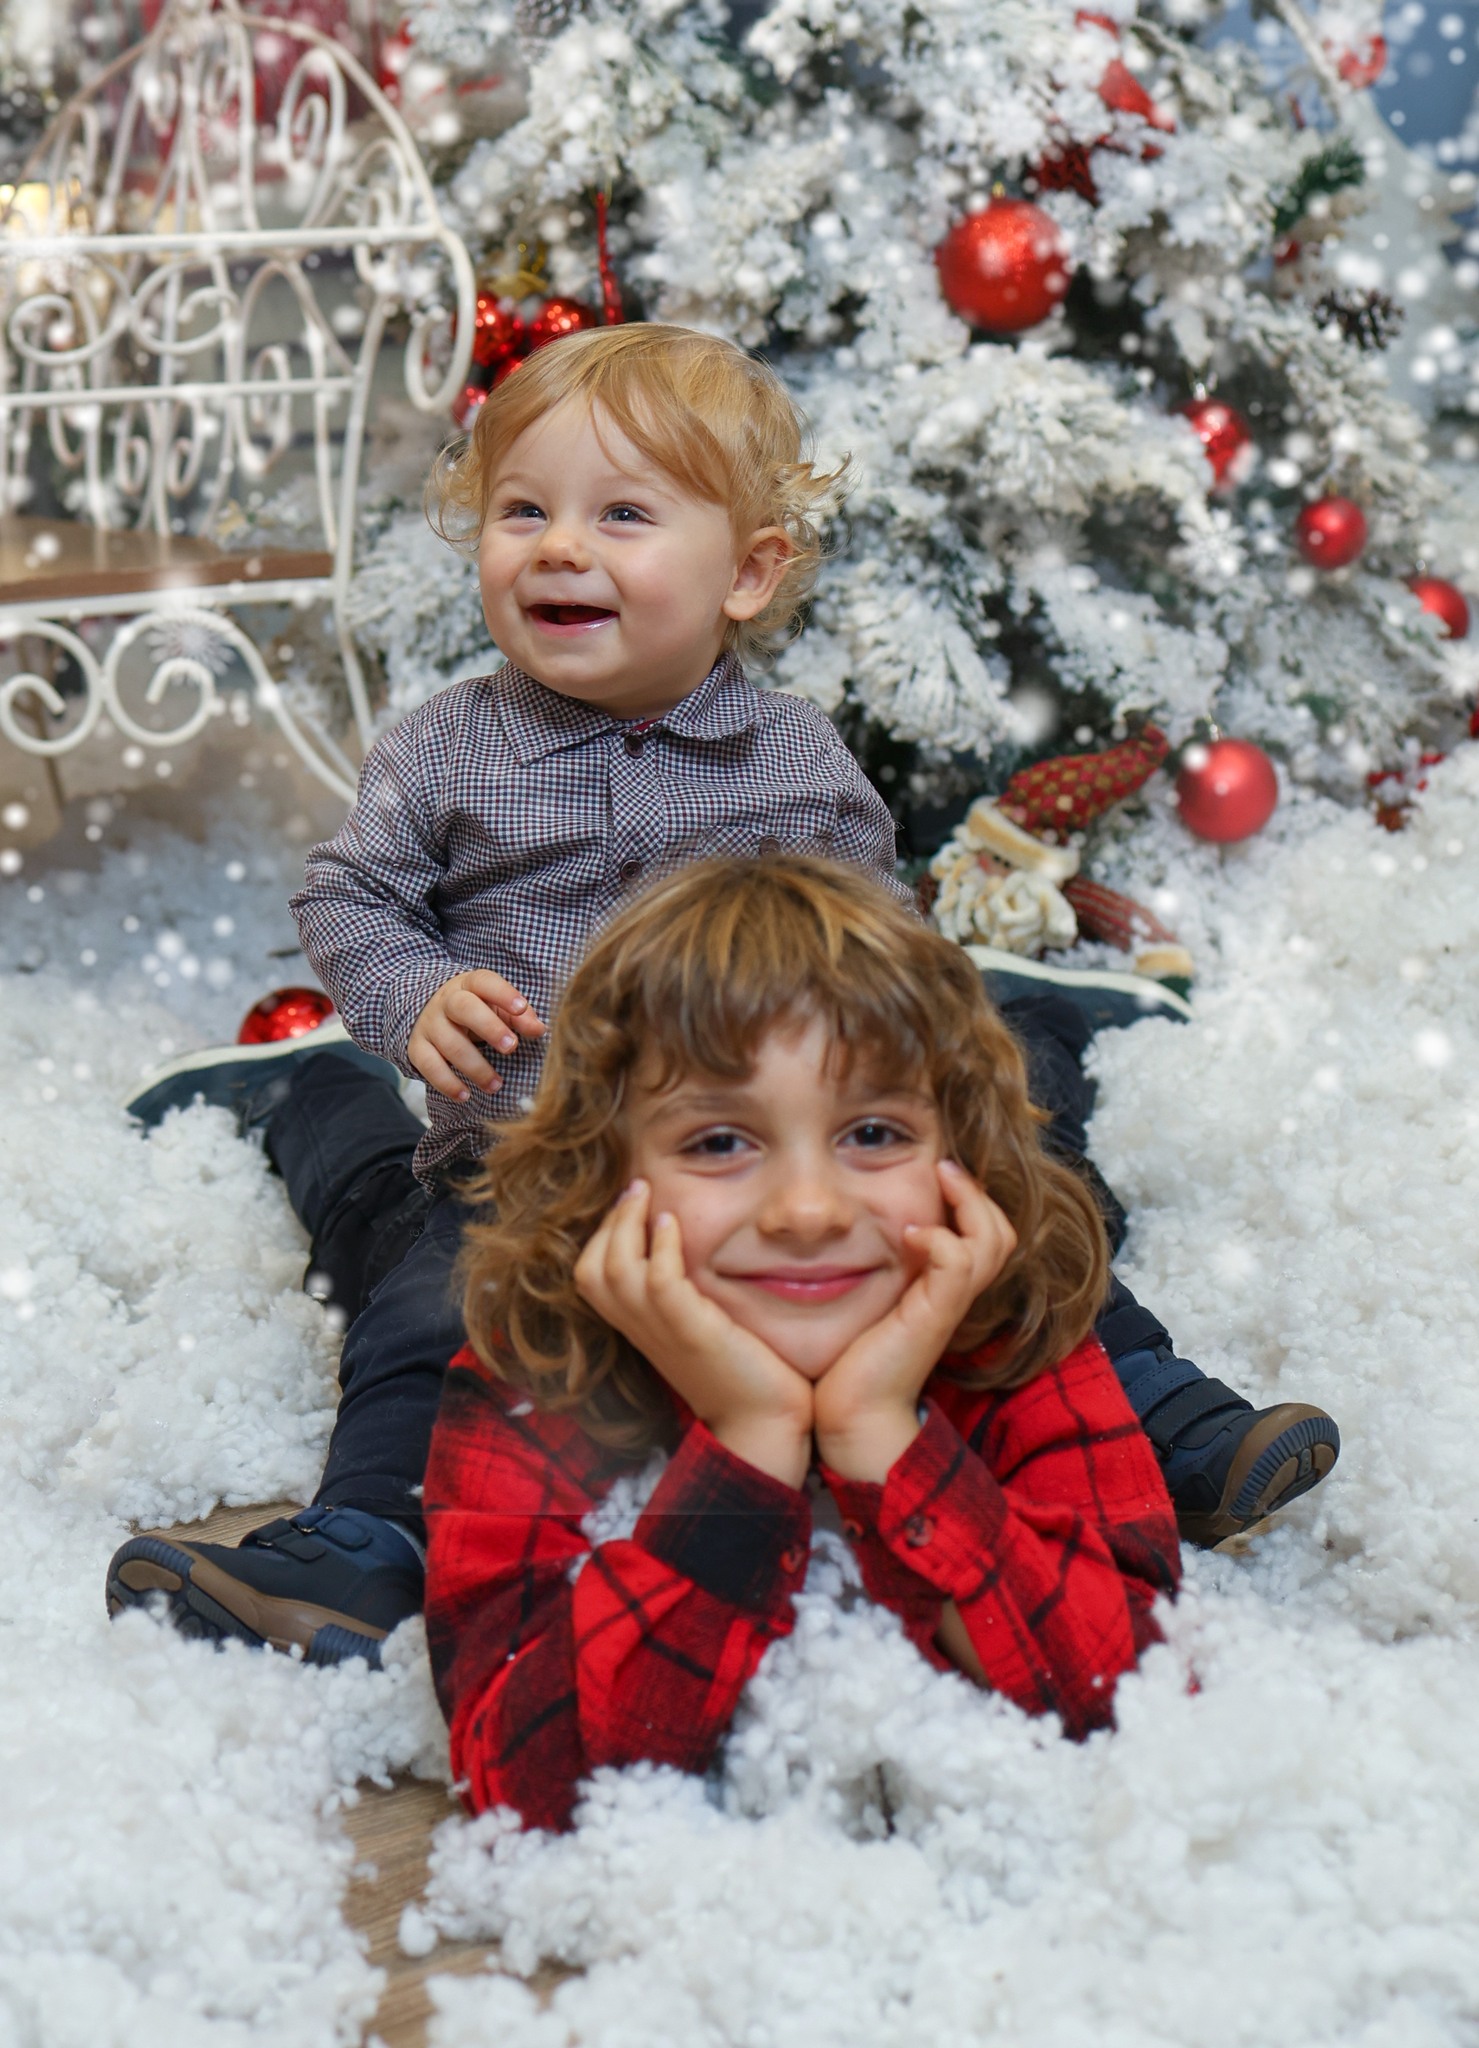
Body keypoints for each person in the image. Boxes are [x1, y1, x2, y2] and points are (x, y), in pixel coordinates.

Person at [107, 324, 1336, 1669]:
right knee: (434, 1303)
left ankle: (1160, 1415)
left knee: (1002, 1206)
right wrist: (411, 990)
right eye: (522, 512)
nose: (558, 547)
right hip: (531, 1169)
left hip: (772, 1171)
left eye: (620, 515)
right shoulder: (446, 748)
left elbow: (875, 963)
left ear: (747, 573)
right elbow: (349, 895)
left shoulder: (794, 763)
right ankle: (366, 1545)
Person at [424, 853, 1182, 1829]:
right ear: (605, 1174)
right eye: (718, 1142)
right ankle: (311, 1090)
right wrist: (750, 1440)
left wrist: (877, 1430)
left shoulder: (1012, 1331)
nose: (809, 1210)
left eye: (872, 1132)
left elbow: (1134, 1693)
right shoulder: (531, 1375)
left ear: (960, 1156)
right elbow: (526, 1782)